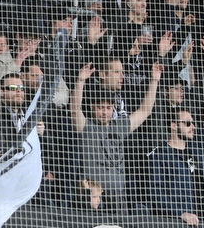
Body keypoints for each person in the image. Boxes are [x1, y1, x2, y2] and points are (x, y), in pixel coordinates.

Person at [70, 61, 163, 211]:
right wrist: (80, 81)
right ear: (92, 107)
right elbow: (74, 110)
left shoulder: (119, 126)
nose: (104, 112)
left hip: (119, 197)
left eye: (108, 107)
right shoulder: (86, 126)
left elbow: (145, 111)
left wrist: (154, 80)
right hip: (93, 197)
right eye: (100, 107)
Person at [150, 107, 204, 225]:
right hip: (170, 223)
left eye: (193, 123)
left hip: (195, 222)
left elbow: (199, 191)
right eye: (188, 123)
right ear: (174, 126)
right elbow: (155, 191)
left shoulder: (194, 155)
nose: (193, 127)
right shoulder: (159, 154)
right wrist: (180, 213)